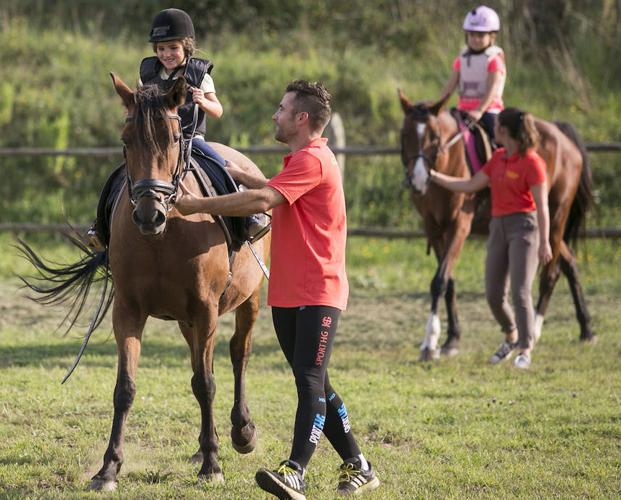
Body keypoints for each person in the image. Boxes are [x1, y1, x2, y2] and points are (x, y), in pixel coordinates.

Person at [175, 80, 380, 498]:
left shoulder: (315, 159)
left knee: (308, 379)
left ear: (301, 118)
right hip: (288, 292)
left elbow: (264, 200)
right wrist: (239, 173)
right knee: (317, 382)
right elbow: (277, 189)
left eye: (282, 108)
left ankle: (295, 472)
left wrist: (196, 206)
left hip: (318, 291)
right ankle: (358, 464)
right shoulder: (299, 160)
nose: (275, 114)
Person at [87, 8, 266, 249]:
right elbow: (139, 104)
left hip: (192, 139)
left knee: (221, 169)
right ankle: (100, 227)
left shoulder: (199, 75)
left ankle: (247, 219)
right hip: (156, 143)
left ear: (186, 47)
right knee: (119, 176)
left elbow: (218, 110)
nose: (167, 54)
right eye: (161, 49)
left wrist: (203, 101)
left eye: (173, 48)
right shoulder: (148, 73)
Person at [428, 108, 553, 369]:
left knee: (520, 292)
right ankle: (511, 333)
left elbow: (542, 207)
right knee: (494, 294)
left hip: (525, 227)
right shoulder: (497, 158)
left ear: (503, 131)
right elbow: (471, 184)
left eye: (495, 126)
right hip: (499, 226)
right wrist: (436, 177)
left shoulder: (533, 163)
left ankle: (525, 348)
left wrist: (545, 242)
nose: (492, 129)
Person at [437, 5, 506, 141]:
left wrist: (480, 110)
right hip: (462, 110)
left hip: (488, 111)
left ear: (491, 36)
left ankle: (502, 159)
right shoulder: (461, 60)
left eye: (480, 35)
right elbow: (449, 87)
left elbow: (493, 89)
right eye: (472, 34)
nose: (475, 39)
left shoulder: (494, 60)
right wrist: (437, 106)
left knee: (498, 136)